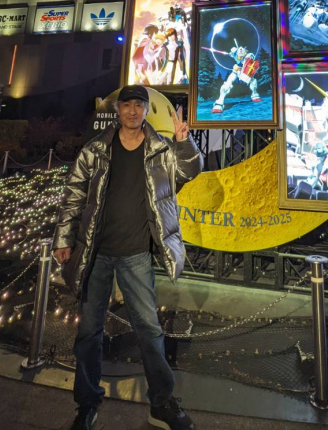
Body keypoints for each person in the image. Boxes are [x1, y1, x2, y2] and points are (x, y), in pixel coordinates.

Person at [53, 84, 203, 430]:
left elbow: (190, 171)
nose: (133, 111)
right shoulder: (95, 150)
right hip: (96, 254)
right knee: (88, 332)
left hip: (136, 254)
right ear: (118, 110)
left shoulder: (161, 149)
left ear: (146, 110)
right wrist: (64, 238)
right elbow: (74, 194)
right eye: (127, 105)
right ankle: (87, 404)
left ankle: (161, 404)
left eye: (139, 105)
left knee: (149, 331)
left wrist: (184, 142)